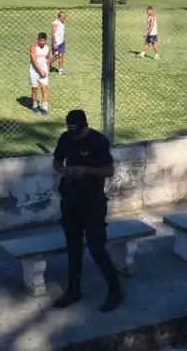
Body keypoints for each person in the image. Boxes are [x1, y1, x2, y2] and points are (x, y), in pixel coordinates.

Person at [52, 109, 125, 313]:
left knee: (96, 248)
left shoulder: (98, 142)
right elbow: (56, 161)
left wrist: (85, 171)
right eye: (72, 133)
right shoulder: (67, 138)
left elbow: (109, 171)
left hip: (93, 203)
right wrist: (62, 170)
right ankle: (73, 290)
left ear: (86, 125)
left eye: (78, 133)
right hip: (70, 201)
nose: (75, 137)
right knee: (73, 247)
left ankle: (116, 289)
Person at [30, 32, 52, 115]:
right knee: (34, 89)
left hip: (44, 70)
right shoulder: (33, 47)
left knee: (44, 89)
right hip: (34, 70)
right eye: (40, 41)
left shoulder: (47, 47)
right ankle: (35, 105)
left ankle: (45, 108)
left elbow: (47, 58)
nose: (42, 42)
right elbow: (34, 61)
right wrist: (41, 71)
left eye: (43, 41)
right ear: (38, 40)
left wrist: (48, 69)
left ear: (45, 40)